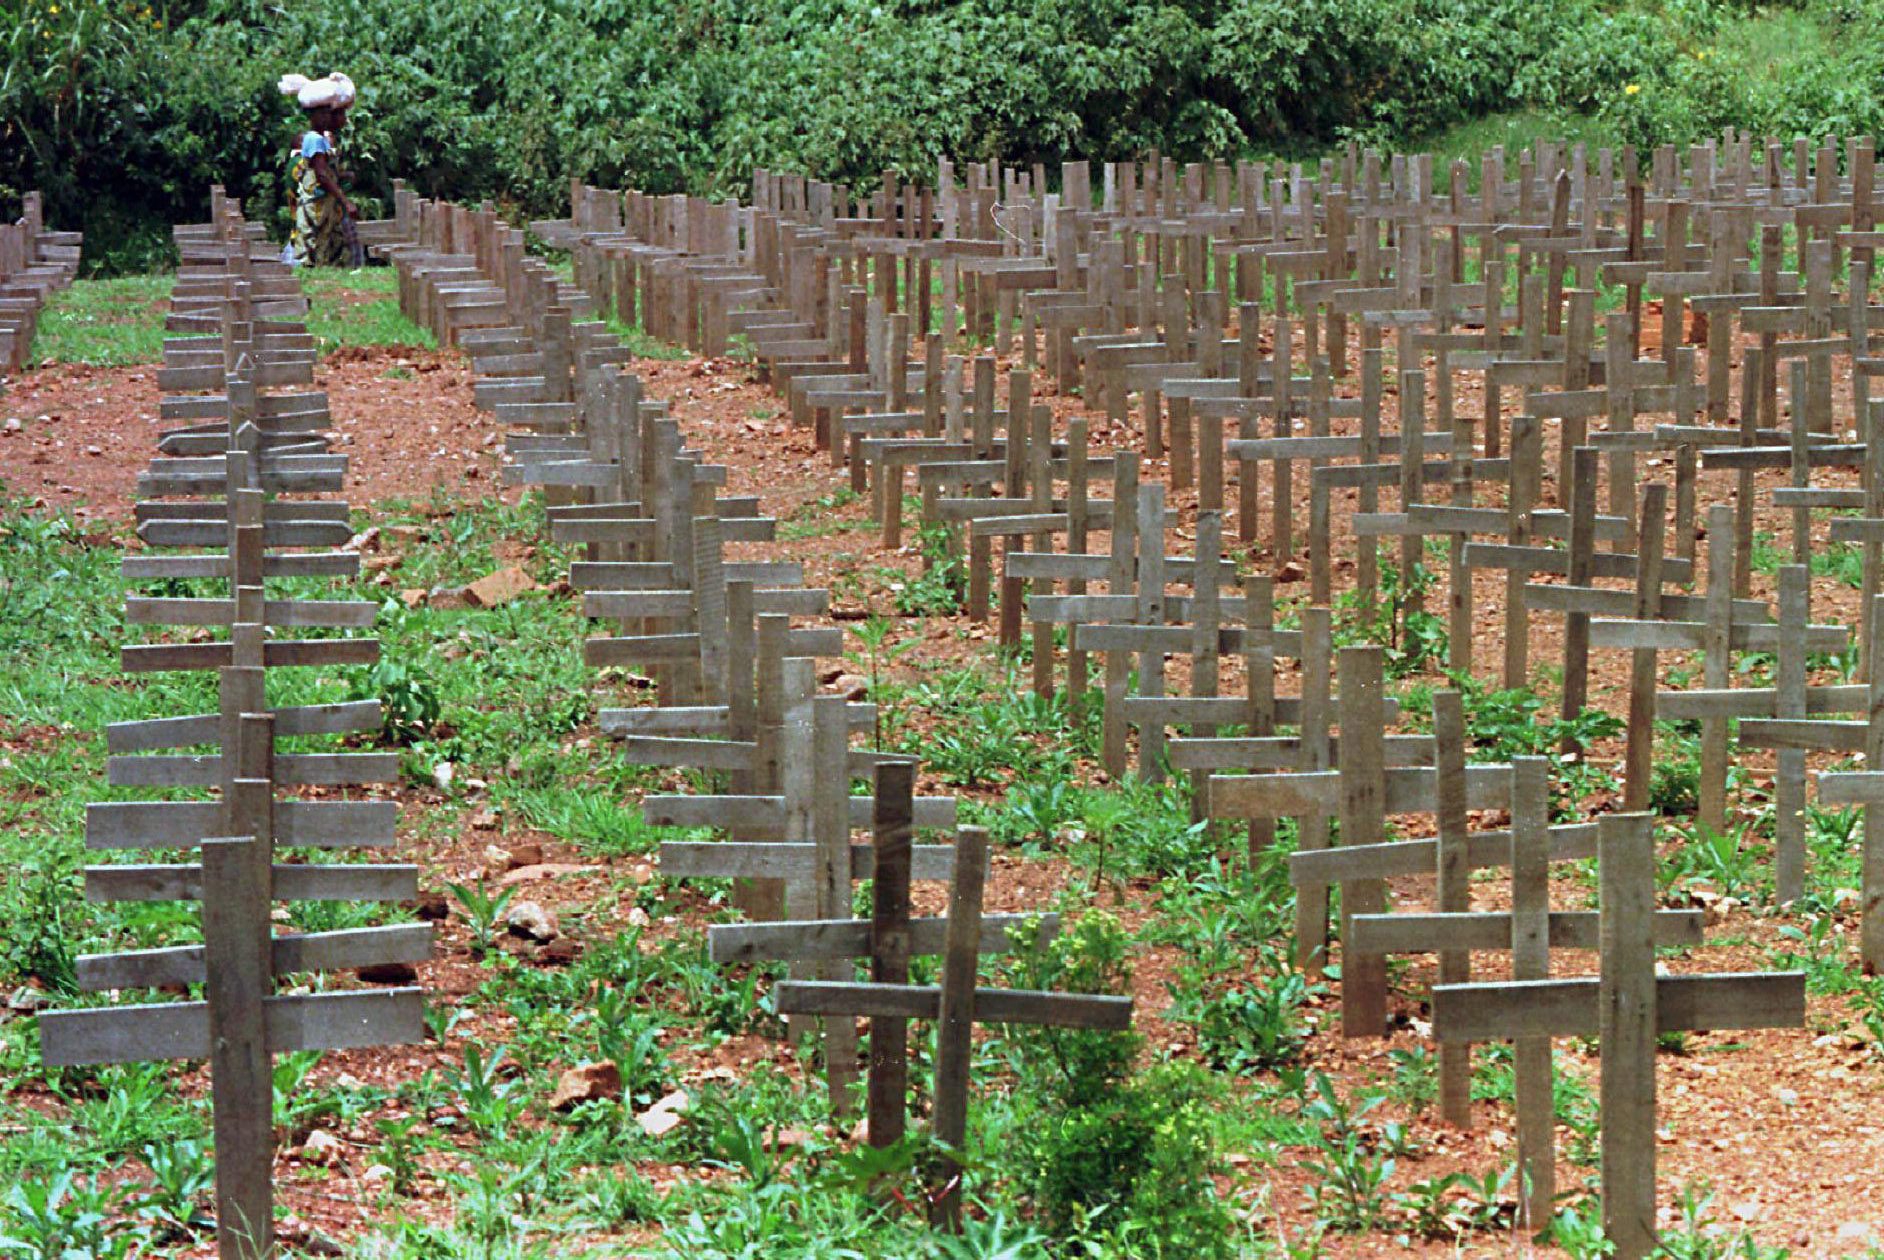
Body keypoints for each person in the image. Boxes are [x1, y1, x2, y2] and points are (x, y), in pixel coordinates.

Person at [279, 72, 359, 267]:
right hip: (316, 204)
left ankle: (320, 266)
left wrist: (343, 175)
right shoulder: (314, 140)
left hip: (322, 204)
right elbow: (321, 175)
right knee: (313, 239)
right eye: (323, 114)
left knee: (325, 240)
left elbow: (322, 171)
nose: (328, 118)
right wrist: (345, 201)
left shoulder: (321, 140)